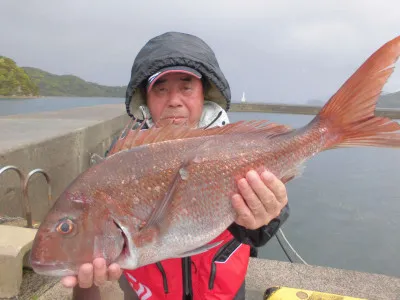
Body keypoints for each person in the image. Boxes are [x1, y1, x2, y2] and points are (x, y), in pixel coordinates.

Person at [62, 31, 290, 300]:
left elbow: (258, 235)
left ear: (204, 94)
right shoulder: (120, 159)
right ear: (145, 99)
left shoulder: (234, 147)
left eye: (186, 87)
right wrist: (85, 277)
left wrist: (264, 218)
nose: (174, 100)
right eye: (161, 89)